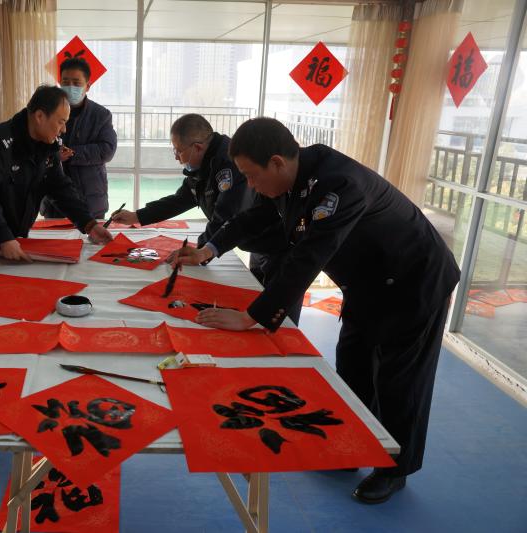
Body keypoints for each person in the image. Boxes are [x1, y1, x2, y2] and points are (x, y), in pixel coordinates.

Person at [175, 117, 460, 504]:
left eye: (251, 175)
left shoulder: (339, 184)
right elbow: (252, 218)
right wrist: (209, 249)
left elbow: (308, 257)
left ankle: (395, 470)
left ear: (276, 162)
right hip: (366, 281)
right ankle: (354, 444)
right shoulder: (291, 177)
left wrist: (251, 316)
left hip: (415, 280)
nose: (251, 185)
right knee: (353, 364)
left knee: (399, 380)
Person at [111, 113, 300, 322]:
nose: (176, 157)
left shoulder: (228, 164)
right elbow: (184, 200)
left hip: (281, 248)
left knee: (279, 320)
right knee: (256, 303)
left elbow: (226, 213)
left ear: (198, 147)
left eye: (178, 150)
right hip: (258, 243)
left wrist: (202, 251)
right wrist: (138, 216)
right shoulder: (204, 165)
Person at [0, 85, 112, 261]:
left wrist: (89, 224)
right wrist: (3, 237)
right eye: (61, 122)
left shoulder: (48, 145)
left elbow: (60, 188)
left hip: (16, 239)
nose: (64, 130)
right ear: (40, 116)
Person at [40, 57, 117, 219]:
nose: (70, 87)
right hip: (54, 202)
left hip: (91, 201)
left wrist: (72, 153)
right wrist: (54, 155)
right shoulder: (47, 111)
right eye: (65, 82)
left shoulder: (100, 115)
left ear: (87, 86)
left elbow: (107, 150)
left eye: (76, 83)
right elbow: (35, 143)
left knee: (93, 234)